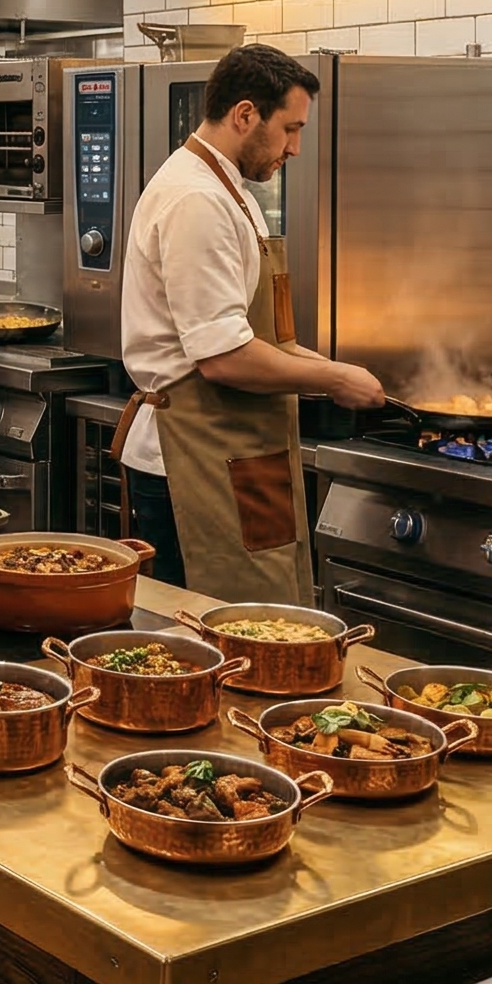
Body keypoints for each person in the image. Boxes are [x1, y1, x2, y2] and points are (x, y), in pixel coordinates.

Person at [114, 45, 384, 600]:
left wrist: (341, 368)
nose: (296, 147)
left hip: (234, 450)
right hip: (191, 461)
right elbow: (223, 357)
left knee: (263, 619)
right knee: (215, 632)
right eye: (289, 128)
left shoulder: (229, 190)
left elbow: (259, 338)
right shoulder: (196, 199)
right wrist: (335, 381)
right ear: (244, 115)